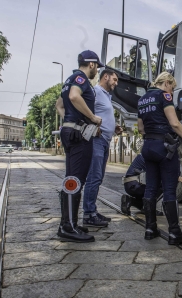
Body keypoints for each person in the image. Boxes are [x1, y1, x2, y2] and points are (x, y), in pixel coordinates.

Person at [137, 71, 182, 245]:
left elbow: (140, 128)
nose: (172, 92)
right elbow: (174, 123)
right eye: (172, 88)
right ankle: (175, 233)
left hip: (148, 146)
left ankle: (150, 228)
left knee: (150, 188)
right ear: (167, 82)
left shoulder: (142, 99)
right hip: (164, 148)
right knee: (169, 189)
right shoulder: (164, 97)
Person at [55, 50, 103, 242]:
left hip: (72, 131)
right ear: (91, 64)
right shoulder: (81, 79)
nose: (97, 70)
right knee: (75, 180)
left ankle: (70, 222)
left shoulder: (69, 80)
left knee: (72, 178)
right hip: (78, 135)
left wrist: (70, 120)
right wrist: (91, 118)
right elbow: (74, 97)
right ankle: (68, 227)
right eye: (97, 66)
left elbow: (59, 105)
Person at [82, 69, 123, 227]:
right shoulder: (95, 92)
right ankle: (88, 214)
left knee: (97, 178)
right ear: (105, 76)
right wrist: (92, 125)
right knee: (94, 177)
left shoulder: (105, 95)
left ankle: (92, 210)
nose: (116, 83)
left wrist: (114, 127)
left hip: (105, 140)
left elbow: (101, 115)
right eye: (115, 79)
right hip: (96, 140)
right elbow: (84, 110)